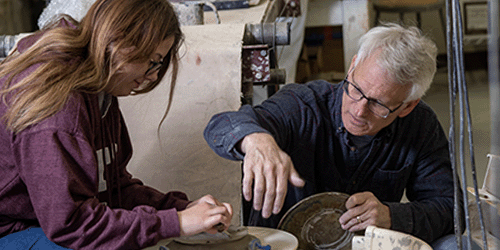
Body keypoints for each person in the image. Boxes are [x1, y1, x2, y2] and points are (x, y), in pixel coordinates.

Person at [204, 22, 464, 245]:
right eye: (356, 89)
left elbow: (452, 209)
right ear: (352, 67)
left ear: (407, 106)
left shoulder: (419, 124)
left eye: (378, 104)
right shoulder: (303, 105)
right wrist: (256, 141)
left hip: (365, 246)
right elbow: (219, 125)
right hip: (285, 245)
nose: (359, 111)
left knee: (457, 245)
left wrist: (391, 215)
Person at [0, 0, 233, 249]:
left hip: (42, 224)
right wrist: (176, 222)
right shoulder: (57, 109)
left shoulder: (98, 89)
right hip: (12, 229)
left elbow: (113, 189)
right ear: (119, 43)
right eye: (153, 61)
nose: (154, 75)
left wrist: (181, 208)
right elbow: (72, 225)